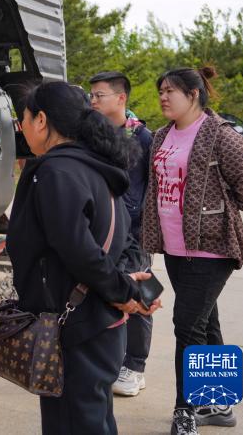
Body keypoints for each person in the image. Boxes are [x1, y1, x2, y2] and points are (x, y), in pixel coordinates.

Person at [9, 81, 158, 435]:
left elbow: (78, 250)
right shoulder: (98, 167)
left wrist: (124, 292)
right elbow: (124, 241)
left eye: (24, 118)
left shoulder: (55, 172)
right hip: (99, 322)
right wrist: (126, 289)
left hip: (75, 327)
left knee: (74, 423)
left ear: (41, 120)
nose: (22, 127)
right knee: (94, 419)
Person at [140, 67, 243, 435]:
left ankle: (185, 411)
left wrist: (214, 211)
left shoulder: (221, 136)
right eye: (161, 90)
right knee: (205, 322)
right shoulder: (161, 136)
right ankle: (219, 402)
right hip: (175, 247)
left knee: (187, 326)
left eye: (171, 91)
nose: (163, 97)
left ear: (194, 94)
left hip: (211, 249)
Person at [89, 71, 155, 397]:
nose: (93, 101)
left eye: (99, 95)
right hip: (107, 229)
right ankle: (118, 362)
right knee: (118, 291)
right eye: (91, 95)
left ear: (121, 98)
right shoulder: (96, 134)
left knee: (140, 292)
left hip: (136, 232)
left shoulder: (142, 137)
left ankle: (135, 367)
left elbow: (151, 187)